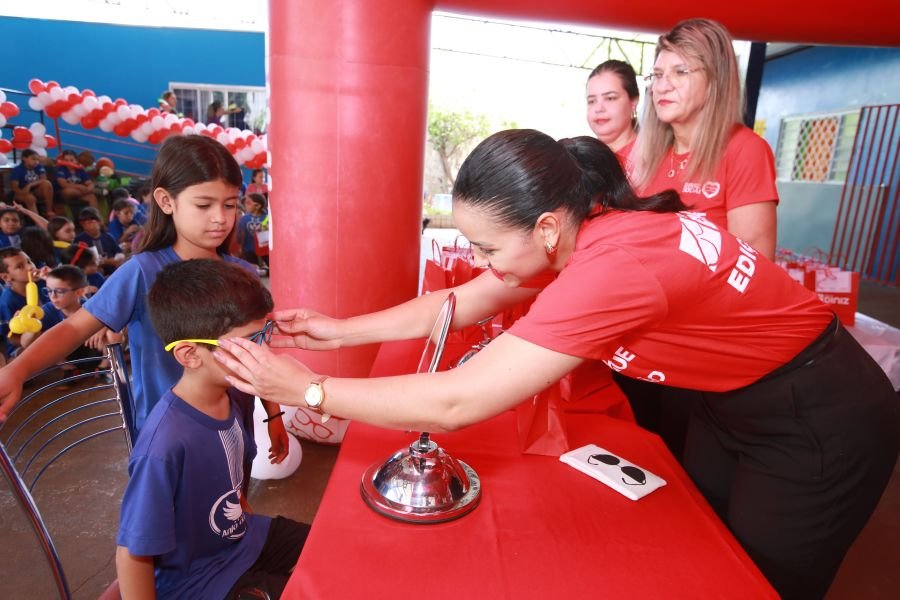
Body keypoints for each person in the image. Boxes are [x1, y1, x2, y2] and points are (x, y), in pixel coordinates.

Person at [214, 129, 898, 600]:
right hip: (725, 398)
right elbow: (462, 301)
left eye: (487, 247)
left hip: (816, 415)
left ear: (544, 225)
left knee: (757, 578)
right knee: (706, 545)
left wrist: (306, 387)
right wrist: (335, 334)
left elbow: (458, 400)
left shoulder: (614, 267)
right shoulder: (580, 229)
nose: (481, 263)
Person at [0, 135, 290, 461]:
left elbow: (257, 352)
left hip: (234, 428)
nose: (220, 218)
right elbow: (73, 329)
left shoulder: (245, 274)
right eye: (204, 205)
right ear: (166, 201)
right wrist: (18, 369)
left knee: (230, 506)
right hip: (166, 439)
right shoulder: (142, 272)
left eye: (229, 204)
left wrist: (273, 414)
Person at [116, 259, 309, 599]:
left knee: (332, 546)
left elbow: (231, 488)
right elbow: (133, 554)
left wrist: (275, 418)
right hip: (200, 582)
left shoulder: (231, 393)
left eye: (264, 336)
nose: (262, 353)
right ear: (190, 354)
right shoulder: (164, 446)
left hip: (244, 540)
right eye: (249, 342)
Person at [633, 18, 777, 260]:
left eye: (680, 72)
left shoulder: (745, 150)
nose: (662, 86)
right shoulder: (645, 154)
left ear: (714, 81)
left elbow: (755, 267)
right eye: (657, 75)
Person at [20, 265, 111, 374]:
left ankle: (104, 368)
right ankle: (69, 370)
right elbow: (25, 343)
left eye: (59, 291)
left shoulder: (90, 306)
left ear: (79, 292)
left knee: (112, 332)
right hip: (68, 355)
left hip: (95, 351)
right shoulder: (47, 310)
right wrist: (32, 325)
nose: (52, 296)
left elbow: (117, 318)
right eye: (49, 291)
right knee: (42, 337)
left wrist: (103, 328)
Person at [585, 59, 640, 169]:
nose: (599, 108)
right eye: (591, 101)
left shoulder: (651, 158)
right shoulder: (580, 158)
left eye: (610, 98)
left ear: (633, 101)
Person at [75, 206, 124, 274]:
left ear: (99, 221)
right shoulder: (79, 240)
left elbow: (119, 253)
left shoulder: (108, 237)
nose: (87, 226)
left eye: (90, 222)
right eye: (84, 224)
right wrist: (104, 262)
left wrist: (117, 259)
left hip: (113, 271)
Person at [9, 149, 54, 215]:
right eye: (33, 159)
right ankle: (36, 220)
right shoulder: (17, 170)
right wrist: (24, 192)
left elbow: (43, 179)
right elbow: (15, 188)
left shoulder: (38, 166)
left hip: (35, 190)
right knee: (30, 198)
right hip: (21, 192)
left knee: (47, 184)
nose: (36, 162)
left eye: (37, 160)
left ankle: (49, 211)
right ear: (24, 158)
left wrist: (30, 185)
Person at [236, 193, 267, 266]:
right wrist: (240, 247)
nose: (245, 205)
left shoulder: (267, 218)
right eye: (245, 203)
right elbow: (239, 236)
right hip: (248, 252)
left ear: (257, 206)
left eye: (248, 203)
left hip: (266, 252)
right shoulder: (244, 219)